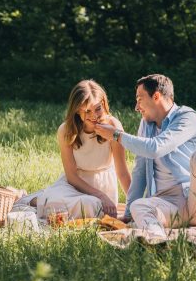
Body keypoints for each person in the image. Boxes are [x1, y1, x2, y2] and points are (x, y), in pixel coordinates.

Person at [94, 74, 196, 241]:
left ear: (156, 96)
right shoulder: (145, 124)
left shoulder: (187, 117)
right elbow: (140, 171)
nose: (136, 107)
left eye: (139, 99)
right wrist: (127, 214)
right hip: (168, 205)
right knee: (137, 206)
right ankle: (157, 240)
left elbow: (156, 148)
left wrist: (117, 135)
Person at [12, 79, 131, 220]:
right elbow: (72, 176)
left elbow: (122, 172)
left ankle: (44, 198)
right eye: (87, 111)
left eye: (98, 108)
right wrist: (101, 196)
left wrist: (134, 203)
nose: (94, 116)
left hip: (102, 187)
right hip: (74, 185)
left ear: (104, 104)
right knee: (64, 205)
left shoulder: (113, 127)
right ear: (77, 111)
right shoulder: (66, 130)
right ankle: (32, 199)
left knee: (92, 206)